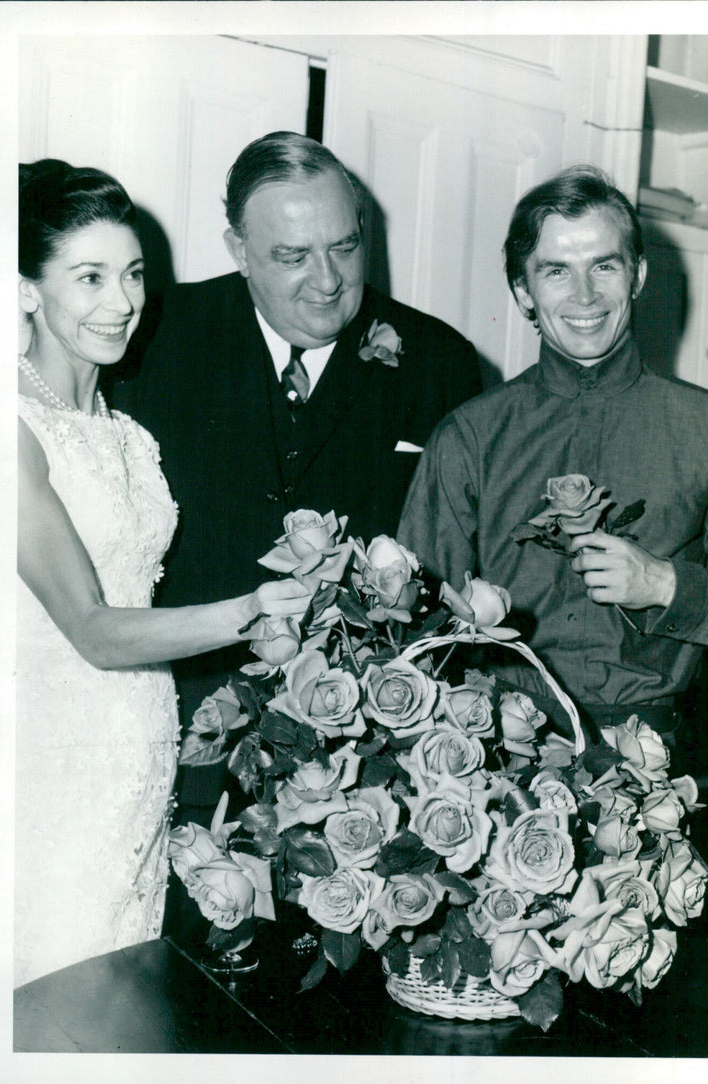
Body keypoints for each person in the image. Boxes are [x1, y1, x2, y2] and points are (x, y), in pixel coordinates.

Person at [111, 131, 482, 819]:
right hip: (177, 727)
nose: (329, 279)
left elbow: (451, 568)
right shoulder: (154, 338)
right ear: (238, 250)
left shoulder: (440, 361)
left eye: (344, 246)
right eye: (292, 256)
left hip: (364, 751)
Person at [15, 160, 309, 985]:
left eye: (135, 273)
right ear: (27, 286)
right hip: (45, 762)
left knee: (112, 991)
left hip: (139, 757)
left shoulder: (124, 430)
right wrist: (248, 611)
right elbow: (94, 629)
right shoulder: (8, 430)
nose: (123, 301)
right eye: (91, 277)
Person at [399, 164, 708, 748]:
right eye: (556, 271)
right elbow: (415, 622)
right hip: (496, 762)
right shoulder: (468, 437)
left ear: (637, 275)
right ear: (522, 291)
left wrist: (665, 584)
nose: (584, 296)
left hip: (654, 760)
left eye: (603, 266)